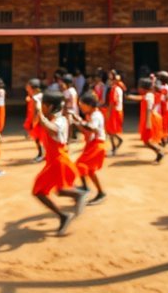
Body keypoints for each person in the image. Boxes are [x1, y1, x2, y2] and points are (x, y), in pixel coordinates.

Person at [32, 90, 89, 235]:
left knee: (38, 191)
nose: (42, 108)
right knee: (59, 190)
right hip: (55, 160)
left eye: (44, 106)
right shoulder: (59, 118)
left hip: (57, 161)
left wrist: (39, 112)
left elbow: (51, 129)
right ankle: (73, 201)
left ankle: (70, 207)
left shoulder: (58, 121)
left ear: (50, 107)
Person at [72, 92, 107, 205]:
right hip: (93, 143)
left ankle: (87, 188)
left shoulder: (96, 115)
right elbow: (85, 130)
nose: (81, 108)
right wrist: (77, 122)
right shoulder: (91, 115)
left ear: (90, 105)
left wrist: (79, 121)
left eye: (82, 105)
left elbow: (92, 128)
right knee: (89, 170)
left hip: (97, 144)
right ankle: (96, 191)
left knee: (80, 165)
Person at [127, 77, 165, 162]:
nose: (138, 88)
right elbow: (141, 98)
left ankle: (159, 151)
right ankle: (159, 151)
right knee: (146, 140)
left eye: (139, 87)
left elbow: (149, 109)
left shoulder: (149, 96)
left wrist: (148, 123)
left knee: (147, 140)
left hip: (150, 118)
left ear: (143, 88)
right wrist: (131, 97)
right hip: (149, 118)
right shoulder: (148, 95)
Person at [104, 70, 125, 156]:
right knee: (110, 130)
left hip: (114, 111)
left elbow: (113, 102)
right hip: (117, 110)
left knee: (110, 130)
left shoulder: (114, 89)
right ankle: (116, 143)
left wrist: (108, 113)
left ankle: (114, 147)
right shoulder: (118, 88)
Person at [24, 79, 45, 162]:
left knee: (38, 139)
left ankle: (41, 154)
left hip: (38, 121)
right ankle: (41, 154)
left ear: (34, 89)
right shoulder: (38, 96)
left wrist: (34, 123)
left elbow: (37, 111)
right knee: (39, 139)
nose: (27, 89)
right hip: (38, 120)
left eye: (28, 88)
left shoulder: (36, 98)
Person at [156, 71, 168, 146]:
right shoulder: (165, 87)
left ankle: (164, 139)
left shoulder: (165, 88)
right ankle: (165, 137)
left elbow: (165, 98)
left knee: (164, 125)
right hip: (164, 109)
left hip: (165, 109)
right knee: (163, 125)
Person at [62, 73, 80, 140]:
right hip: (71, 109)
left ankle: (69, 137)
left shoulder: (70, 91)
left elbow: (68, 101)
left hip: (70, 110)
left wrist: (66, 109)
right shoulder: (69, 90)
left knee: (69, 124)